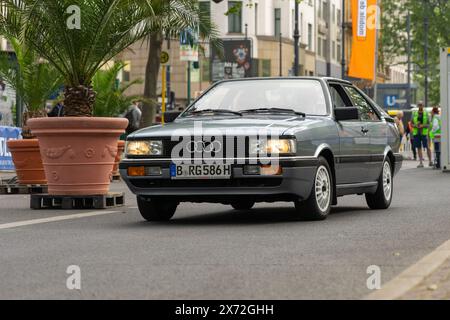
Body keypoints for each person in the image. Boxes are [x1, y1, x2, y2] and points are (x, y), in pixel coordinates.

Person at [412, 101, 432, 168]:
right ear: (418, 106)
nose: (420, 106)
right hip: (416, 133)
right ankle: (421, 162)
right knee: (418, 147)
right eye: (419, 105)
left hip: (424, 133)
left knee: (428, 147)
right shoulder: (414, 113)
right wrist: (416, 125)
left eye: (421, 105)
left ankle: (430, 161)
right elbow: (411, 124)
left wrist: (422, 126)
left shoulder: (426, 113)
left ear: (423, 105)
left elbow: (429, 124)